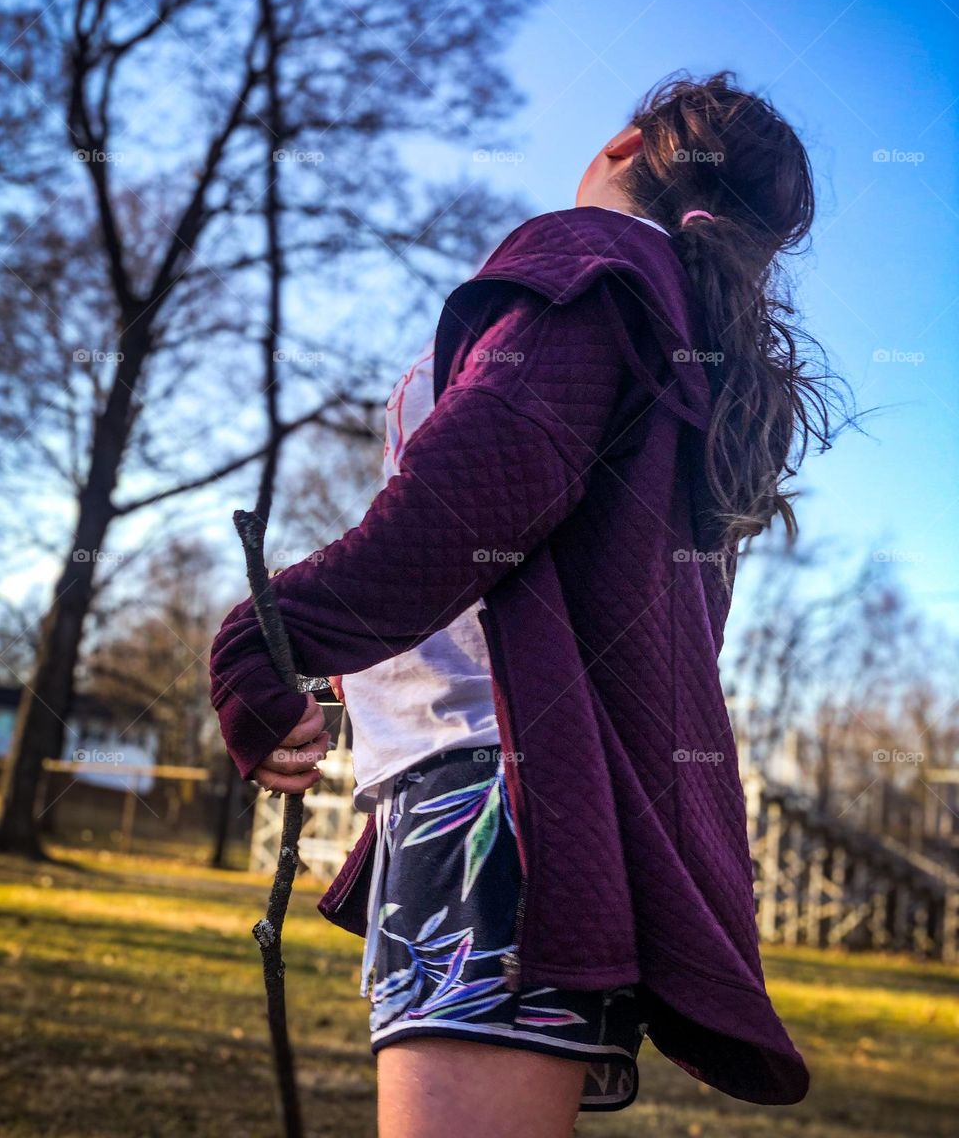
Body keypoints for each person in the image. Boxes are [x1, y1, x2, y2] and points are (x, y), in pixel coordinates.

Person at [210, 70, 848, 1137]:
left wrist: (264, 638)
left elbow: (472, 495)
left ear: (622, 144)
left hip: (496, 799)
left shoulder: (594, 266)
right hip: (525, 801)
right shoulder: (684, 343)